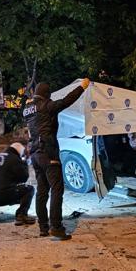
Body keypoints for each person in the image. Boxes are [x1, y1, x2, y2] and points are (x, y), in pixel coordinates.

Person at [24, 78, 90, 240]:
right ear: (47, 95)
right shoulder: (47, 106)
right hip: (48, 153)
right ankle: (57, 227)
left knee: (42, 191)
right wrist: (82, 87)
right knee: (57, 190)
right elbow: (66, 101)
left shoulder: (27, 109)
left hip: (35, 154)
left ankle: (43, 227)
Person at [0, 143, 36, 225]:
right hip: (0, 197)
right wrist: (25, 162)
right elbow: (24, 178)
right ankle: (21, 215)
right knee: (29, 189)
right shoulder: (14, 159)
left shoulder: (0, 156)